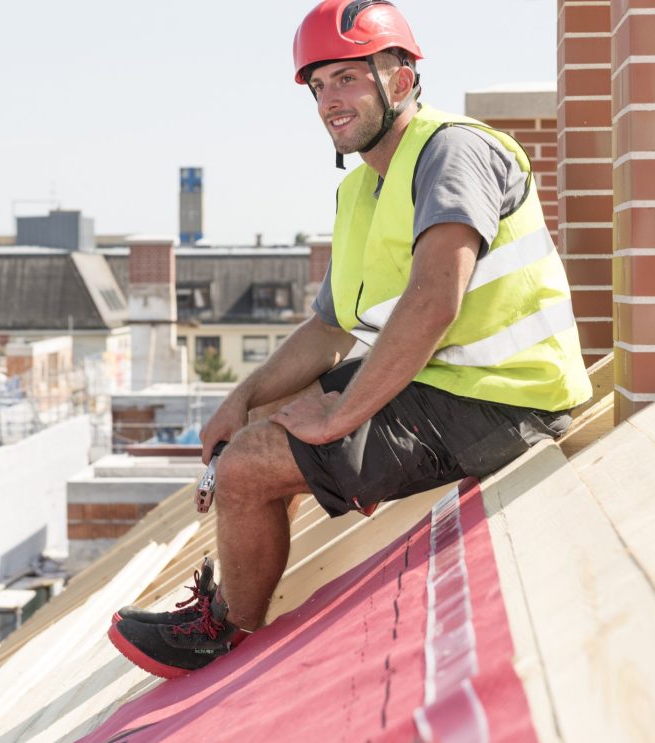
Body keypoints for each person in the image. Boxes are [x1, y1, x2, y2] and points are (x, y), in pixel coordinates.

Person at [108, 0, 591, 679]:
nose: (329, 100)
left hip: (504, 406)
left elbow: (433, 300)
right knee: (265, 423)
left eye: (347, 78)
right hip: (444, 390)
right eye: (318, 85)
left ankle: (222, 628)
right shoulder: (362, 190)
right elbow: (331, 328)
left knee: (249, 465)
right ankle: (263, 521)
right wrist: (239, 400)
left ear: (400, 78)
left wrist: (339, 415)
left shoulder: (451, 151)